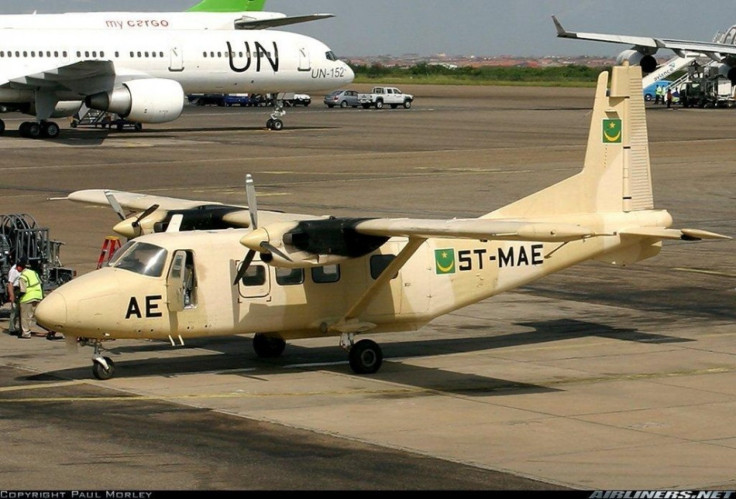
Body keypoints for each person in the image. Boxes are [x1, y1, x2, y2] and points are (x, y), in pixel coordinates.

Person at [16, 259, 43, 339]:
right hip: (38, 296)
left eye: (17, 267)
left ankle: (26, 333)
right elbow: (40, 283)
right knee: (37, 316)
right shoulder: (33, 273)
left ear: (20, 267)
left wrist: (18, 297)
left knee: (25, 317)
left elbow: (23, 290)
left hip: (27, 298)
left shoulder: (22, 276)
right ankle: (51, 331)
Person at [6, 258, 21, 335]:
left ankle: (17, 327)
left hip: (20, 290)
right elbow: (10, 284)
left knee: (19, 311)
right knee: (14, 311)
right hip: (15, 290)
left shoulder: (21, 269)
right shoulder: (13, 271)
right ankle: (12, 328)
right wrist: (12, 295)